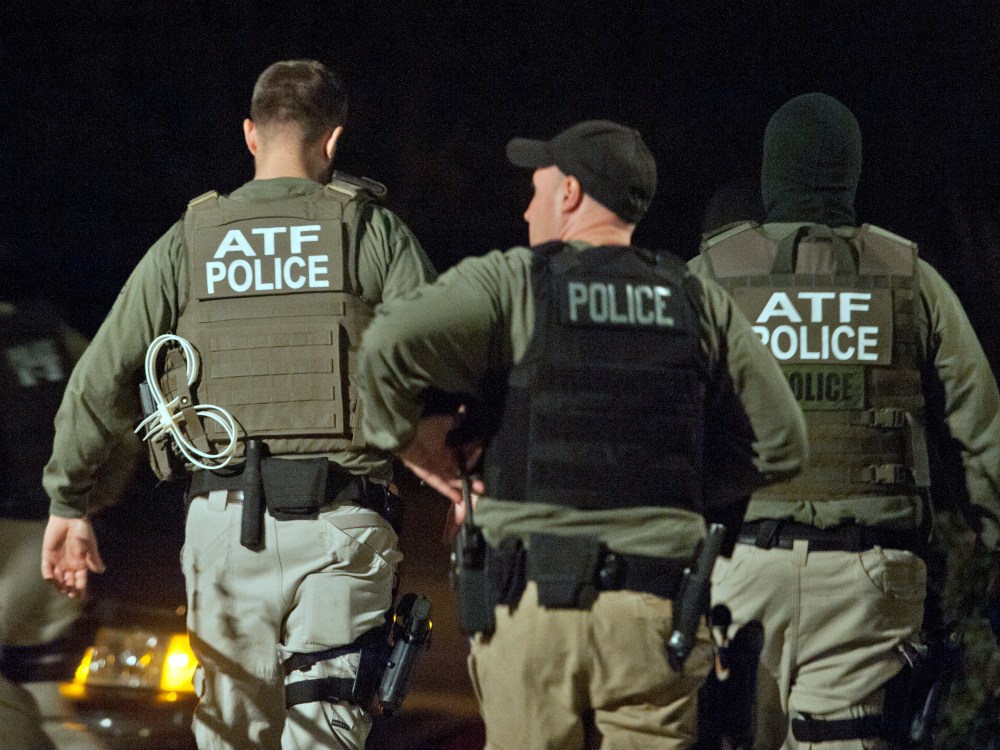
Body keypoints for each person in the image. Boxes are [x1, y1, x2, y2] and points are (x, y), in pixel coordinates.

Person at [356, 119, 809, 749]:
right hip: (656, 619)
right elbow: (784, 442)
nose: (526, 207)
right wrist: (669, 480)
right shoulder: (695, 298)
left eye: (537, 188)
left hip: (533, 605)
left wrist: (414, 447)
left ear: (569, 193)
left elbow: (384, 344)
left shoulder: (514, 282)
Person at [39, 59, 436, 750]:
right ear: (333, 140)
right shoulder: (373, 231)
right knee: (328, 733)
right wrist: (465, 483)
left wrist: (68, 502)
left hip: (223, 531)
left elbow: (100, 376)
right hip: (342, 528)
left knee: (231, 738)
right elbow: (440, 364)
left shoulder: (188, 241)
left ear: (252, 135)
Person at [690, 92, 1000, 749]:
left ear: (774, 172)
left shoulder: (712, 276)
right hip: (872, 583)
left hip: (740, 568)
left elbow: (644, 409)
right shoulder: (911, 277)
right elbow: (983, 423)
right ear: (850, 173)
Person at [0, 298, 138, 750]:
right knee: (47, 700)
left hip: (9, 538)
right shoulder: (52, 335)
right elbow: (119, 419)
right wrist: (89, 505)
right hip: (51, 535)